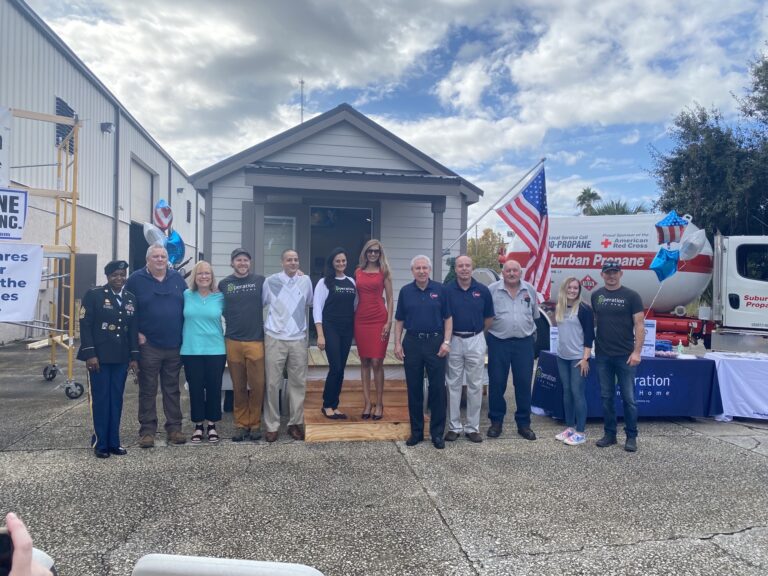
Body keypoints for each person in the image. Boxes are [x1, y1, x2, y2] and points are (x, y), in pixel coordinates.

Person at [125, 243, 187, 448]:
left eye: (163, 256)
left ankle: (174, 429)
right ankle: (147, 431)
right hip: (149, 344)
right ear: (147, 260)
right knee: (148, 389)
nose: (160, 260)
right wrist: (136, 333)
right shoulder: (135, 280)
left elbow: (189, 305)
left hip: (174, 344)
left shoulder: (177, 278)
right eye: (156, 257)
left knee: (172, 389)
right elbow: (127, 310)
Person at [77, 260, 139, 458]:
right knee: (101, 400)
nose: (119, 278)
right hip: (100, 358)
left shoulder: (130, 298)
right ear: (108, 277)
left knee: (116, 401)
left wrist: (134, 357)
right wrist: (90, 354)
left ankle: (114, 442)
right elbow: (85, 325)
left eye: (122, 275)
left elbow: (132, 330)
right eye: (115, 275)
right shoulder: (94, 295)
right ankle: (100, 443)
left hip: (120, 358)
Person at [394, 255, 452, 449]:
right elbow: (400, 320)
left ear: (429, 270)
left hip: (436, 343)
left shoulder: (440, 290)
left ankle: (437, 434)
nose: (421, 271)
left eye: (424, 268)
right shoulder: (405, 291)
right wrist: (397, 344)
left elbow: (448, 318)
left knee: (437, 389)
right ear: (412, 271)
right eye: (417, 268)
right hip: (412, 342)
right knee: (414, 389)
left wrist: (446, 342)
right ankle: (416, 433)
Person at [591, 260, 644, 452]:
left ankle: (631, 436)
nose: (611, 275)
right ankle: (610, 434)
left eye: (615, 272)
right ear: (602, 274)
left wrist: (637, 352)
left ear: (621, 274)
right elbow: (595, 322)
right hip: (603, 355)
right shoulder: (596, 296)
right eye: (608, 272)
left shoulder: (632, 296)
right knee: (606, 397)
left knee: (629, 399)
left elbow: (639, 325)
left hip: (625, 356)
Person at [263, 249, 313, 442]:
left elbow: (308, 303)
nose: (293, 262)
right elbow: (262, 303)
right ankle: (272, 425)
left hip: (298, 339)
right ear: (282, 262)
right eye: (289, 260)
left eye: (296, 259)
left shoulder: (305, 281)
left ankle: (294, 423)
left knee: (298, 384)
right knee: (272, 384)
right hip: (275, 338)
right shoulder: (270, 281)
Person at [486, 259, 540, 441]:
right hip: (498, 342)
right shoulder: (492, 290)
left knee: (524, 384)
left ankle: (524, 424)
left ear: (520, 272)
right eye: (508, 270)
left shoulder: (529, 290)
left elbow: (534, 315)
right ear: (503, 272)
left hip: (524, 343)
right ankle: (496, 422)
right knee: (497, 383)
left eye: (515, 270)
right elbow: (485, 315)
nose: (511, 273)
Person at [444, 255, 494, 443]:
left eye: (467, 265)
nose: (464, 269)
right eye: (460, 266)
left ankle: (473, 428)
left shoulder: (482, 291)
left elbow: (489, 318)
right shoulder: (447, 290)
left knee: (475, 385)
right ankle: (454, 427)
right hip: (454, 339)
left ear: (472, 268)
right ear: (455, 269)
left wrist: (478, 333)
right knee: (453, 385)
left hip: (476, 339)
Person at [218, 248, 266, 442]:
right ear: (232, 263)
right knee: (238, 386)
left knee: (257, 386)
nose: (242, 263)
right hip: (233, 340)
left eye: (246, 260)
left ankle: (254, 424)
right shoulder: (224, 284)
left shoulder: (260, 281)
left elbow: (280, 287)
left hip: (255, 340)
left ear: (250, 263)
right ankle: (240, 425)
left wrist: (297, 274)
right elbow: (217, 306)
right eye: (239, 260)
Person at [180, 260, 225, 444]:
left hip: (216, 350)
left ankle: (212, 425)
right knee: (196, 389)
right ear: (195, 277)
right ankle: (198, 425)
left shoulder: (220, 297)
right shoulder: (186, 295)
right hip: (191, 350)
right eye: (200, 273)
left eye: (207, 273)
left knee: (214, 388)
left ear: (212, 276)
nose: (204, 276)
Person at [313, 247, 356, 419]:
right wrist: (320, 334)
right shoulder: (324, 282)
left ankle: (334, 405)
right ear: (332, 263)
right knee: (335, 367)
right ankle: (326, 405)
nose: (341, 263)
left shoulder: (352, 282)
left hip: (347, 329)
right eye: (337, 261)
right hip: (331, 328)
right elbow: (317, 308)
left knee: (341, 369)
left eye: (343, 260)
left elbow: (355, 306)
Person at [353, 239, 393, 419]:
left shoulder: (384, 271)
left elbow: (391, 299)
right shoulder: (358, 272)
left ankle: (380, 402)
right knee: (364, 361)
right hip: (361, 319)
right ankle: (367, 403)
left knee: (377, 361)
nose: (373, 254)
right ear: (365, 252)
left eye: (376, 251)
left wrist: (388, 322)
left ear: (380, 253)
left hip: (379, 319)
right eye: (370, 251)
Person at [554, 277, 595, 446]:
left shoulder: (584, 309)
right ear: (564, 289)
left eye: (575, 288)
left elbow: (589, 336)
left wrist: (585, 358)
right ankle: (569, 427)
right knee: (567, 392)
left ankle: (580, 431)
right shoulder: (560, 307)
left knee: (578, 393)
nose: (572, 290)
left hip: (578, 358)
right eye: (569, 287)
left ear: (579, 291)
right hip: (562, 356)